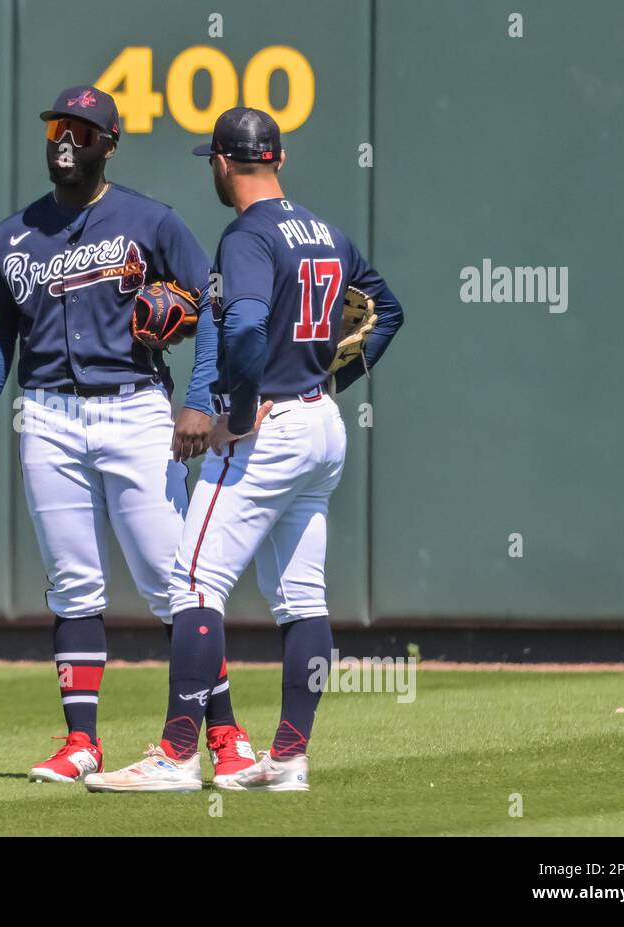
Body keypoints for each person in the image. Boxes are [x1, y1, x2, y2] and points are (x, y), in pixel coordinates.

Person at [86, 107, 405, 793]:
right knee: (301, 595)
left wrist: (236, 409)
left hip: (270, 430)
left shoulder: (246, 236)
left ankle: (175, 756)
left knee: (195, 582)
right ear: (279, 160)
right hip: (320, 424)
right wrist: (330, 378)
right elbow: (389, 313)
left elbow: (251, 324)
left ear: (223, 164)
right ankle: (289, 757)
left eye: (214, 162)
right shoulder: (326, 232)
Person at [0, 86, 256, 786]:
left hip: (135, 410)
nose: (68, 140)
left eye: (85, 130)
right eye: (60, 126)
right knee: (72, 584)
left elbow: (212, 305)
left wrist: (197, 398)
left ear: (110, 143)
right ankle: (81, 742)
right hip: (48, 416)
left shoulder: (150, 220)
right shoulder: (15, 234)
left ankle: (225, 733)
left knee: (173, 582)